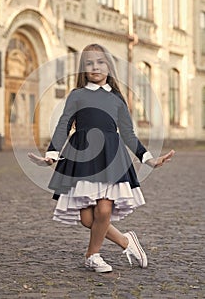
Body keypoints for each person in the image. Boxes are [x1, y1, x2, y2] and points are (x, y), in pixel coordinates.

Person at [28, 44, 175, 273]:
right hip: (81, 158)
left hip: (110, 158)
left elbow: (128, 133)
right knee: (88, 219)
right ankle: (127, 242)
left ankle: (92, 255)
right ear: (82, 69)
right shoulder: (77, 95)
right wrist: (52, 154)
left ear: (109, 66)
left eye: (100, 62)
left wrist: (148, 159)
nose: (95, 67)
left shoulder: (116, 98)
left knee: (104, 211)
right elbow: (64, 125)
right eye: (89, 63)